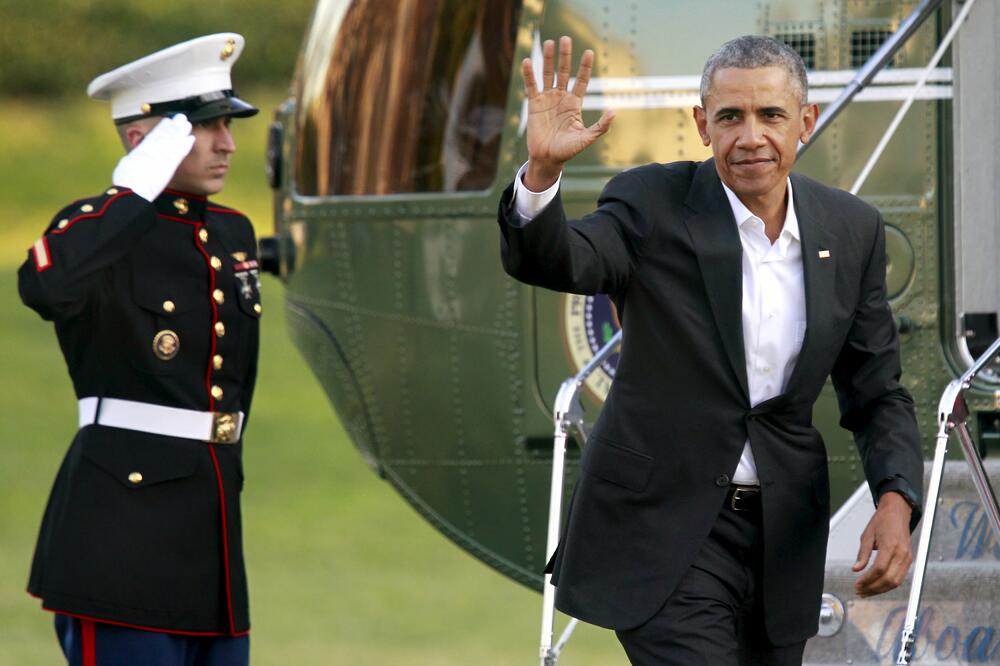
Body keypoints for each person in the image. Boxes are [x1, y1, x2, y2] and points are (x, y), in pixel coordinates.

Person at [498, 35, 924, 665]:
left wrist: (896, 499)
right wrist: (543, 176)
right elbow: (561, 257)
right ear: (703, 125)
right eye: (730, 117)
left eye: (770, 115)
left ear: (805, 122)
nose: (750, 136)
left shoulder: (850, 229)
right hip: (664, 532)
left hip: (783, 538)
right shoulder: (650, 204)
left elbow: (877, 388)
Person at [19, 33, 262, 666]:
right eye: (206, 128)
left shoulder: (230, 230)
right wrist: (131, 198)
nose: (228, 143)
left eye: (226, 126)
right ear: (143, 140)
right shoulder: (95, 226)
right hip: (119, 534)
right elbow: (46, 287)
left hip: (210, 531)